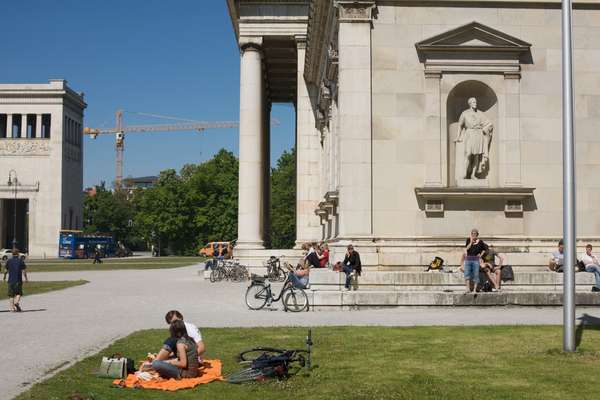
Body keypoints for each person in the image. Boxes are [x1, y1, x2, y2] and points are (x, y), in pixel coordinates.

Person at [455, 97, 493, 179]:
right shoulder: (465, 113)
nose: (475, 103)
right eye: (473, 102)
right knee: (468, 154)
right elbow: (460, 125)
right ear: (470, 103)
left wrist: (485, 129)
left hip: (479, 134)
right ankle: (464, 173)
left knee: (477, 156)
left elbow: (489, 124)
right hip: (469, 134)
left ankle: (473, 174)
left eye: (475, 102)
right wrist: (458, 137)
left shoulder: (480, 113)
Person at [463, 229, 487, 293]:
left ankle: (474, 289)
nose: (473, 235)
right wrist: (471, 242)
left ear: (477, 234)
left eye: (475, 233)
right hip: (468, 259)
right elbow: (466, 248)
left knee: (476, 274)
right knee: (467, 274)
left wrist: (480, 255)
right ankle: (467, 288)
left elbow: (484, 249)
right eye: (472, 233)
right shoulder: (468, 240)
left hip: (476, 259)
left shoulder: (480, 242)